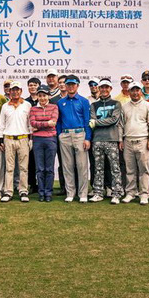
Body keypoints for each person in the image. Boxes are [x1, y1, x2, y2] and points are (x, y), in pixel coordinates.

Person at [56, 74, 92, 202]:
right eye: (68, 84)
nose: (71, 87)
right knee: (67, 166)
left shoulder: (83, 101)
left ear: (77, 85)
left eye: (73, 84)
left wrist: (87, 138)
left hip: (80, 134)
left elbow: (87, 120)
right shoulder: (60, 102)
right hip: (65, 135)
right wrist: (60, 134)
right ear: (65, 86)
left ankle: (83, 194)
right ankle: (70, 193)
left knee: (82, 166)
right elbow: (59, 121)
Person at [121, 82, 149, 205]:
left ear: (141, 91)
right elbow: (121, 125)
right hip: (128, 141)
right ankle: (130, 193)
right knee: (130, 170)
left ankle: (144, 194)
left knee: (144, 170)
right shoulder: (124, 107)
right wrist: (121, 140)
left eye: (137, 90)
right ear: (129, 92)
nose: (135, 93)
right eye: (132, 90)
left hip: (143, 141)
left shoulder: (148, 106)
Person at [89, 79, 124, 204]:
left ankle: (116, 193)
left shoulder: (116, 103)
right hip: (97, 140)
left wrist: (96, 122)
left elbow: (114, 120)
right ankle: (98, 192)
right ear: (99, 88)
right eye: (102, 87)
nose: (104, 89)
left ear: (110, 89)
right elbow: (91, 119)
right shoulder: (94, 105)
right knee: (98, 168)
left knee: (115, 168)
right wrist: (96, 122)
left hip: (112, 139)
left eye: (106, 87)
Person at [0, 81, 31, 202]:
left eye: (17, 90)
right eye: (13, 90)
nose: (15, 92)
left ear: (21, 91)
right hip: (9, 138)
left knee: (23, 168)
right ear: (10, 91)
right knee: (9, 168)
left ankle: (23, 191)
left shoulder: (27, 105)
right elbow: (1, 123)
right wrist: (0, 139)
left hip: (23, 138)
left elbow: (30, 123)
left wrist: (31, 138)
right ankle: (8, 191)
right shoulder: (5, 106)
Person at [29, 84, 60, 202]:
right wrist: (47, 123)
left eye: (44, 95)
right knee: (40, 168)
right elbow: (33, 123)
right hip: (38, 140)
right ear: (37, 96)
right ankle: (41, 193)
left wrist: (39, 126)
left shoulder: (54, 107)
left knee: (49, 168)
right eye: (40, 95)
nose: (42, 98)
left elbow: (54, 122)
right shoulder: (33, 109)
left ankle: (48, 193)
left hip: (50, 139)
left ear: (49, 96)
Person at [25, 77, 41, 193]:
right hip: (29, 135)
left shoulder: (44, 100)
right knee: (30, 161)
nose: (32, 87)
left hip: (42, 134)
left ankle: (42, 184)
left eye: (35, 85)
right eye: (30, 85)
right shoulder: (25, 102)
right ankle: (31, 184)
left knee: (41, 161)